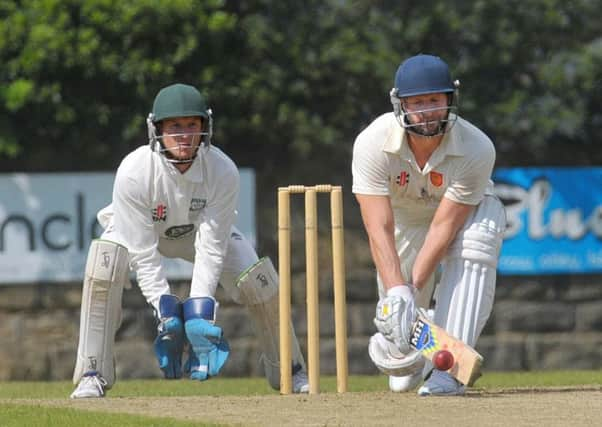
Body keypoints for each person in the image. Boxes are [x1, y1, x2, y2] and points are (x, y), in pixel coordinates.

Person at [70, 83, 309, 398]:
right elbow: (143, 252)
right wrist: (165, 309)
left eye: (192, 125)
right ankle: (92, 372)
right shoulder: (134, 171)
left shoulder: (222, 170)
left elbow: (211, 246)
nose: (184, 135)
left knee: (259, 278)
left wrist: (198, 313)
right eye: (175, 127)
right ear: (157, 129)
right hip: (142, 232)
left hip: (197, 234)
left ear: (204, 128)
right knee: (104, 264)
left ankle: (291, 370)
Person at [352, 54, 506, 396]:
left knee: (478, 238)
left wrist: (414, 284)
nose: (426, 110)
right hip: (404, 220)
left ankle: (449, 373)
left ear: (449, 100)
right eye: (417, 102)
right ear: (400, 104)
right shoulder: (371, 143)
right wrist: (399, 293)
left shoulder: (477, 147)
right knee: (401, 371)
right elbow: (378, 225)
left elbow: (444, 226)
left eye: (434, 100)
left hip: (465, 214)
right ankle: (423, 342)